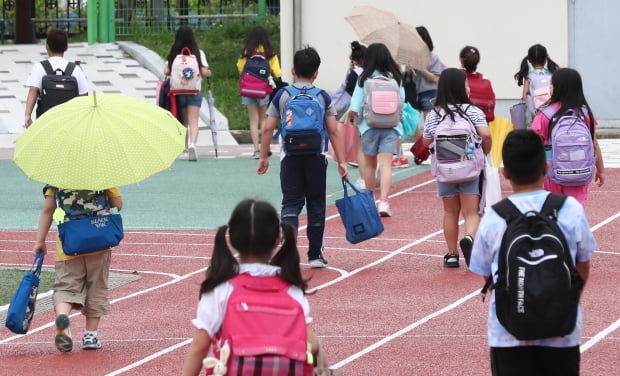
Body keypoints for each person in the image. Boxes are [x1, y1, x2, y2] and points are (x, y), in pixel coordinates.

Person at [469, 129, 595, 376]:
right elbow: (583, 264)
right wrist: (568, 299)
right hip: (562, 329)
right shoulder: (569, 209)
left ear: (505, 173)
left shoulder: (495, 216)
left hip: (508, 332)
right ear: (546, 167)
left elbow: (487, 274)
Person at [180, 199, 320, 376]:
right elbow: (312, 344)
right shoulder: (291, 288)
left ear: (231, 236)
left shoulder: (221, 288)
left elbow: (199, 347)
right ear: (278, 237)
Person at [256, 46, 349, 268]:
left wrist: (263, 156)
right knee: (316, 203)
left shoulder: (282, 95)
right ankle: (315, 255)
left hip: (290, 156)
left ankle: (288, 253)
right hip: (317, 156)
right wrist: (342, 161)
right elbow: (334, 130)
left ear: (292, 70)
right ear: (316, 73)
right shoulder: (323, 96)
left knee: (291, 203)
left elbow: (268, 128)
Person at [33, 186, 123, 352]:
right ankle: (90, 336)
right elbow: (118, 204)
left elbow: (48, 210)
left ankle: (62, 318)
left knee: (66, 286)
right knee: (97, 287)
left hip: (69, 243)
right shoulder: (104, 176)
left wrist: (40, 240)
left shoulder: (56, 179)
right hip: (100, 241)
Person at [422, 68, 491, 268]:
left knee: (450, 212)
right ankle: (469, 238)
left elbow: (426, 141)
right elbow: (485, 135)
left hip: (445, 169)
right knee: (471, 212)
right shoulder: (473, 111)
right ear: (463, 88)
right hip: (469, 166)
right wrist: (484, 152)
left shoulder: (435, 113)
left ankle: (452, 254)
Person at [530, 68, 605, 204]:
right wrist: (601, 170)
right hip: (581, 171)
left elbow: (534, 145)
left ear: (559, 88)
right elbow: (594, 144)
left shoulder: (545, 114)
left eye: (551, 84)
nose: (549, 88)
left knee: (555, 209)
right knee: (576, 209)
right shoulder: (584, 113)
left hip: (553, 171)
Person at [348, 43, 404, 217]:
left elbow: (354, 107)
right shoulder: (395, 78)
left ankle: (370, 201)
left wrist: (352, 119)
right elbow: (402, 101)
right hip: (391, 126)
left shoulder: (364, 79)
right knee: (386, 165)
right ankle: (384, 202)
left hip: (368, 127)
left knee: (370, 167)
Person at [164, 25, 212, 161]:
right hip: (194, 90)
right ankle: (193, 144)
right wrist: (208, 72)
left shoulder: (174, 53)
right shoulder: (198, 53)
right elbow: (204, 72)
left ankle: (184, 148)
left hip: (178, 91)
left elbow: (166, 71)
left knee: (183, 121)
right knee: (194, 121)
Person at [24, 28, 89, 128]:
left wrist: (27, 115)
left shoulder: (39, 67)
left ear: (46, 46)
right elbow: (84, 96)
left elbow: (33, 91)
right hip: (70, 121)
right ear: (67, 47)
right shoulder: (76, 70)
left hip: (45, 120)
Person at [236, 26, 282, 159]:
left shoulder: (247, 51)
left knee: (253, 119)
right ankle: (264, 148)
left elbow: (240, 68)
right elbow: (277, 72)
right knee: (264, 118)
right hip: (263, 89)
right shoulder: (269, 52)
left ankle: (255, 149)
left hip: (248, 89)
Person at [514, 44, 559, 123]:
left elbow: (525, 97)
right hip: (552, 114)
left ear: (529, 60)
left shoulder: (529, 76)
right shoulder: (553, 74)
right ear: (546, 59)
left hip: (536, 115)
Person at [460, 45, 496, 123]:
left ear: (461, 60)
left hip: (462, 123)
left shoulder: (457, 76)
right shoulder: (484, 78)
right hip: (482, 122)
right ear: (478, 61)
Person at [331, 41, 367, 118]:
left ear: (354, 60)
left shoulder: (355, 73)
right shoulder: (369, 73)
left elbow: (346, 89)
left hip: (349, 109)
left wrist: (350, 71)